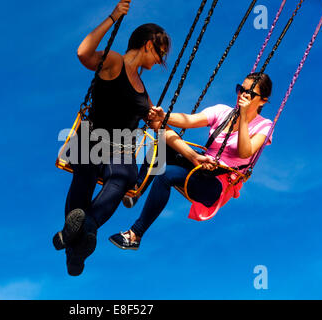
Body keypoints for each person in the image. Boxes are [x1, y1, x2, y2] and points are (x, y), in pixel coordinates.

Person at [53, 0, 211, 276]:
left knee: (125, 175)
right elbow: (83, 53)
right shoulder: (113, 61)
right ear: (149, 44)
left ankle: (83, 229)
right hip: (92, 138)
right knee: (86, 169)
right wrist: (114, 16)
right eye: (160, 54)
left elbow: (162, 130)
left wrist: (193, 156)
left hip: (120, 150)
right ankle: (75, 245)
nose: (159, 62)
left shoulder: (143, 90)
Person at [109, 72, 274, 250]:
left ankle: (135, 235)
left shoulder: (264, 126)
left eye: (250, 93)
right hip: (201, 165)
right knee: (164, 141)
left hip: (218, 183)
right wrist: (164, 116)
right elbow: (189, 120)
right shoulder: (223, 112)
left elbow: (244, 152)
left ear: (263, 101)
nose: (242, 95)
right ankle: (136, 188)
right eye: (241, 89)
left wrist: (243, 117)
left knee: (166, 175)